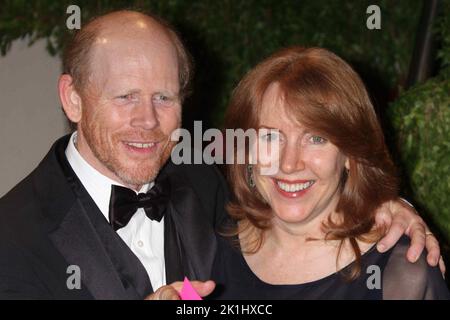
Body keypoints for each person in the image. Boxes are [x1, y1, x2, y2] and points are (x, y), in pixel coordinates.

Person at [0, 10, 442, 300]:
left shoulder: (204, 182)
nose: (148, 120)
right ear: (72, 99)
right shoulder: (12, 238)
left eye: (164, 98)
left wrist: (386, 205)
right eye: (125, 96)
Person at [210, 47, 449, 299]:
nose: (290, 164)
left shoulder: (402, 275)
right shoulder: (208, 250)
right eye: (270, 137)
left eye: (316, 138)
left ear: (351, 154)